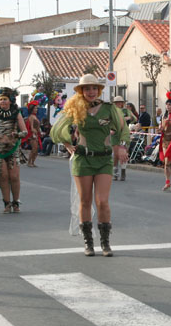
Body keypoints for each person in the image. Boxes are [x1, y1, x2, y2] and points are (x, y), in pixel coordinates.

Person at [50, 74, 129, 256]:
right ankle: (88, 242)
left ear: (99, 90)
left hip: (103, 159)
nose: (91, 92)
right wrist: (69, 145)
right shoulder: (76, 109)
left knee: (102, 201)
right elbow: (56, 130)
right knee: (85, 201)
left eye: (94, 88)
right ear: (82, 91)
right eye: (87, 89)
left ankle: (105, 243)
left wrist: (122, 147)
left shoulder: (109, 109)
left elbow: (123, 128)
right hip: (83, 159)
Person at [112, 96, 136, 181]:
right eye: (117, 102)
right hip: (114, 134)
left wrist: (129, 118)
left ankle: (123, 172)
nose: (119, 104)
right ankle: (115, 172)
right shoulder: (112, 111)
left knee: (124, 154)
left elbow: (134, 118)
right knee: (115, 155)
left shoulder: (126, 111)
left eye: (120, 102)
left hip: (124, 134)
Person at [24, 100, 41, 167]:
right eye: (35, 108)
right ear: (32, 109)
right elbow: (31, 127)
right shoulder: (31, 117)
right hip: (32, 135)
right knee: (34, 148)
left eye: (37, 108)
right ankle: (29, 162)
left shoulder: (35, 116)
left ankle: (33, 162)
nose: (36, 109)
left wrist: (39, 132)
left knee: (36, 149)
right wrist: (34, 133)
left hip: (36, 134)